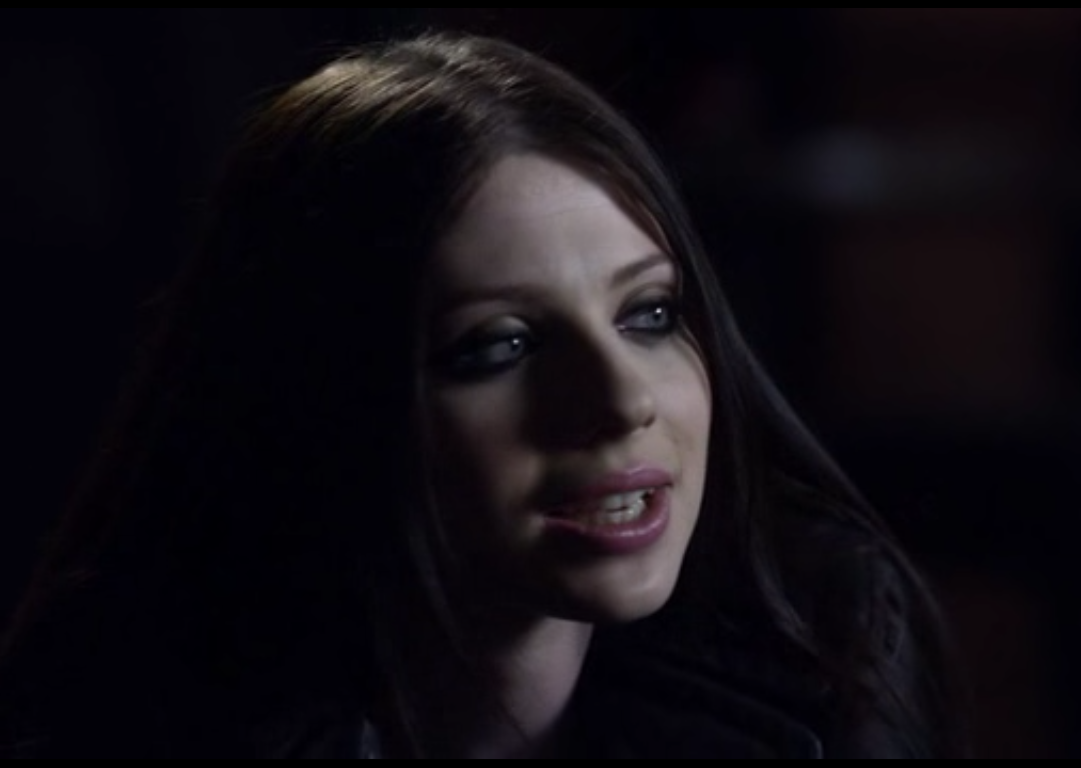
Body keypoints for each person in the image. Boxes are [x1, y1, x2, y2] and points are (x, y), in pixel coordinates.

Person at [0, 31, 962, 758]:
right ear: (322, 394)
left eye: (649, 315)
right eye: (499, 346)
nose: (622, 400)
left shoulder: (825, 657)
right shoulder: (120, 714)